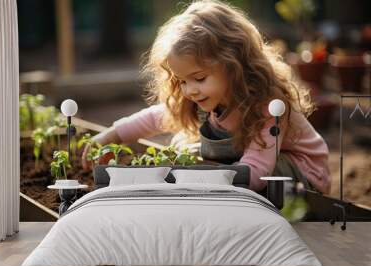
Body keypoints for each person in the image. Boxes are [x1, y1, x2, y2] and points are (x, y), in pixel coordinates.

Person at [82, 0, 331, 194]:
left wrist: (195, 178)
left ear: (234, 66)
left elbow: (256, 173)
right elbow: (158, 116)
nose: (190, 90)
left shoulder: (267, 106)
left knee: (210, 164)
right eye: (182, 81)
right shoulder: (207, 97)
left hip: (301, 177)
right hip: (253, 163)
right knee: (183, 146)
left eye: (199, 78)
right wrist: (110, 136)